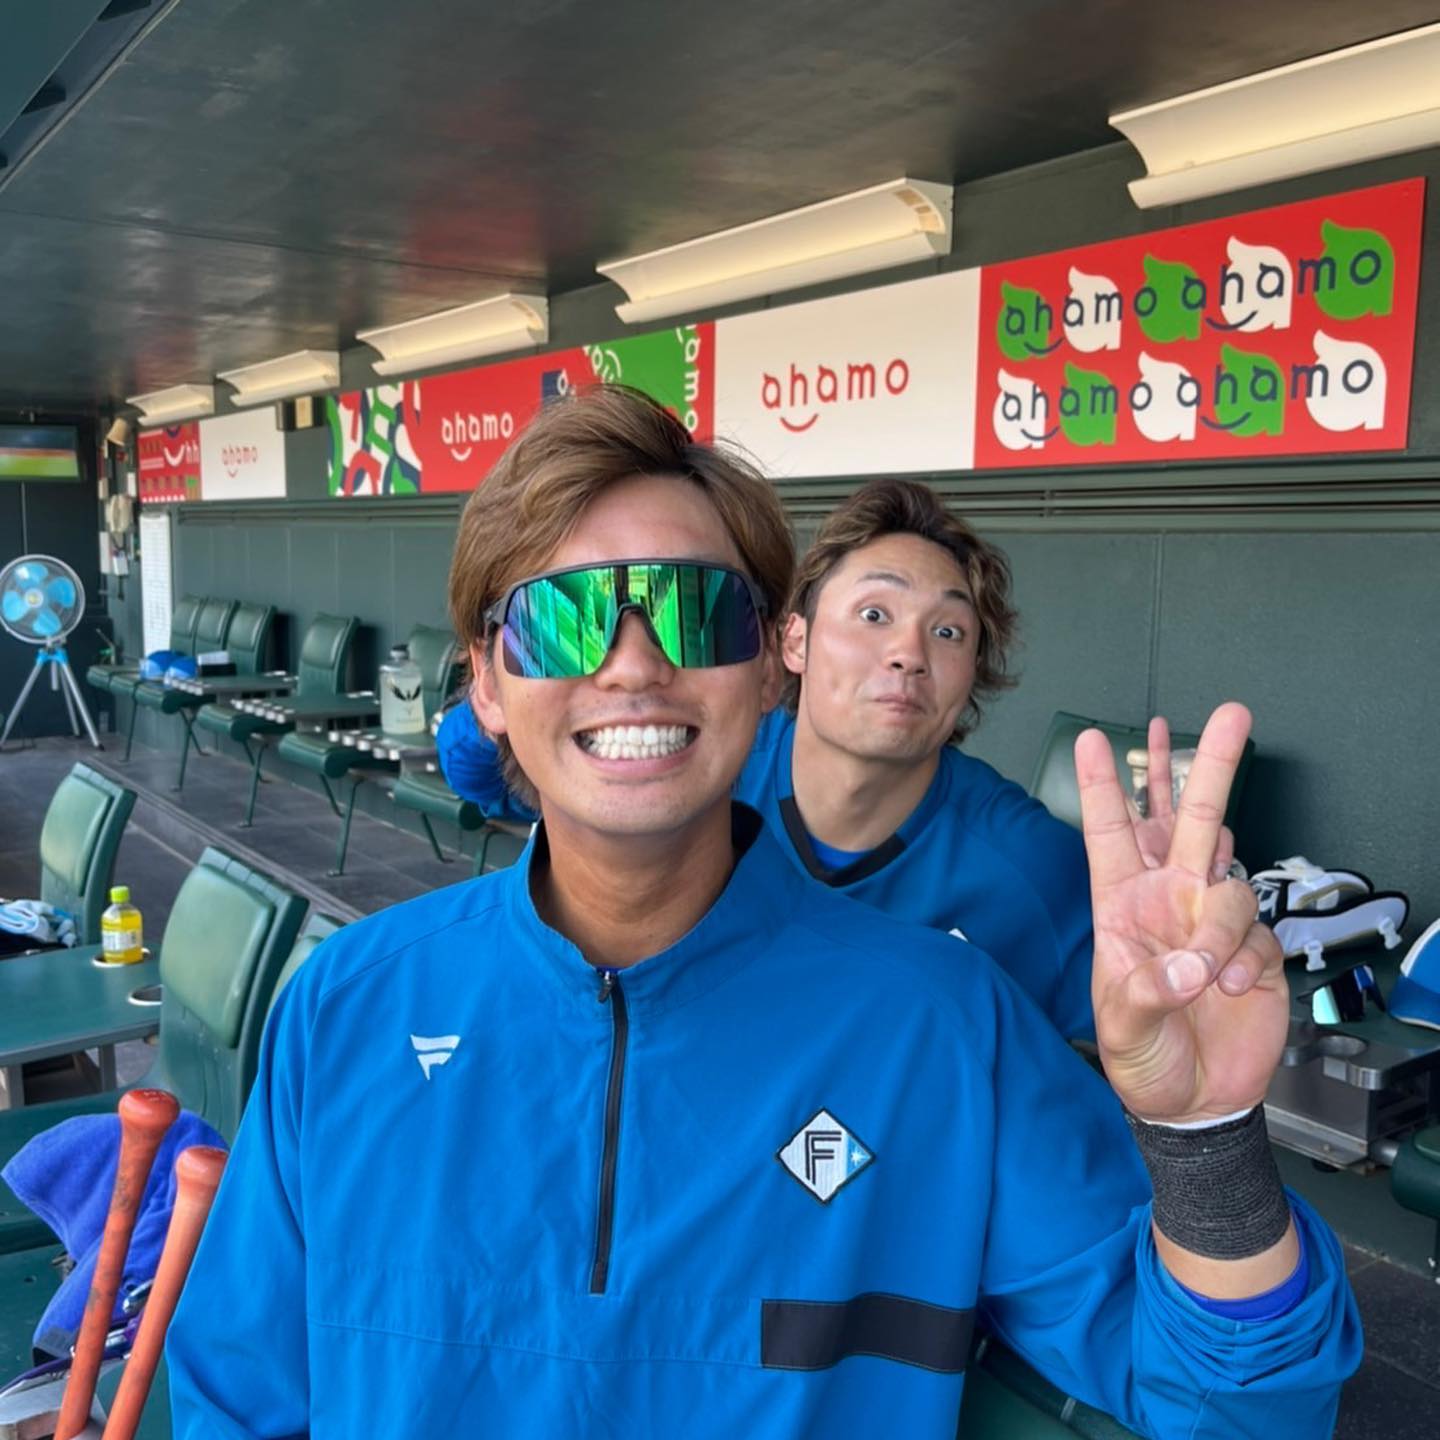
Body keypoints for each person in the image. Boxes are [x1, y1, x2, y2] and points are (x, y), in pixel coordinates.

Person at [168, 386, 1359, 1439]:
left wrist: (1207, 1140)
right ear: (485, 680)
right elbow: (237, 1396)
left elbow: (1235, 1406)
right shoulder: (348, 1008)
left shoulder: (946, 1027)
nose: (633, 665)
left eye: (696, 612)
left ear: (763, 666)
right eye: (565, 617)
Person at [436, 477, 1230, 1041]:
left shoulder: (1030, 865)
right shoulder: (698, 769)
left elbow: (1156, 1032)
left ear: (972, 675)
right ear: (792, 641)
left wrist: (1191, 956)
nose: (908, 653)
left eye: (948, 631)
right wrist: (520, 698)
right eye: (874, 614)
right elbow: (475, 774)